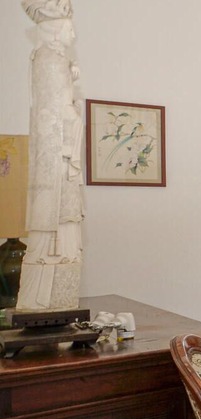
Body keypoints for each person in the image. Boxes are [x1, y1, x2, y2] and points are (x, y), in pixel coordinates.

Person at [18, 0, 84, 310]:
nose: (73, 36)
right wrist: (74, 112)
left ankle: (56, 299)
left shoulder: (57, 62)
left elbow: (66, 110)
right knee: (51, 230)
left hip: (62, 161)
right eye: (70, 29)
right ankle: (43, 301)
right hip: (55, 160)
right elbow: (53, 116)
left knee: (66, 229)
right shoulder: (48, 60)